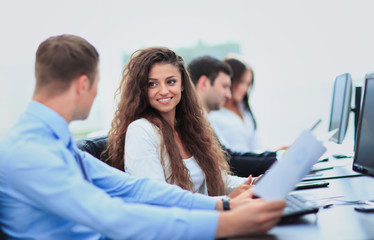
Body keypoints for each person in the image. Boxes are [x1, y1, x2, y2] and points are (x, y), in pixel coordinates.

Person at [0, 34, 285, 239]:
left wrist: (225, 204)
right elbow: (113, 216)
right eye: (98, 83)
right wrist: (227, 224)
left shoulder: (52, 142)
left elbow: (136, 189)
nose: (98, 92)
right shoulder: (30, 152)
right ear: (83, 83)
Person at [105, 47, 254, 197]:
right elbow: (157, 197)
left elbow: (219, 180)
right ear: (141, 89)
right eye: (152, 84)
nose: (163, 91)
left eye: (171, 82)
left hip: (208, 216)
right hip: (182, 219)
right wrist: (225, 202)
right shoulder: (141, 131)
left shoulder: (188, 127)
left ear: (182, 84)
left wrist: (253, 183)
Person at [188, 56, 277, 177]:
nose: (229, 95)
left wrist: (277, 156)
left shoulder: (203, 118)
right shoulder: (192, 123)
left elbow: (228, 157)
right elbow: (229, 162)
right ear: (204, 83)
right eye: (225, 86)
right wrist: (277, 160)